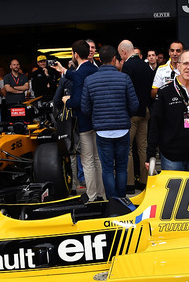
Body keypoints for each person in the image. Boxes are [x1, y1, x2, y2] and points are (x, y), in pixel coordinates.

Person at [81, 45, 138, 199]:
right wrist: (124, 115)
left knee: (107, 169)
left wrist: (98, 115)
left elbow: (85, 108)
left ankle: (111, 201)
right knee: (121, 168)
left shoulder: (89, 80)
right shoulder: (124, 78)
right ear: (114, 59)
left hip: (102, 130)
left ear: (99, 60)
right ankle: (121, 199)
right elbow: (134, 105)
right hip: (122, 129)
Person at [147, 50, 189, 172]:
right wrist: (150, 153)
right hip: (172, 157)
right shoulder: (165, 92)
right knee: (173, 192)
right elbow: (155, 124)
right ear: (178, 66)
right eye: (185, 63)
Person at [65, 39, 103, 201]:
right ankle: (102, 193)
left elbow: (78, 100)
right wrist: (64, 71)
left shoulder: (80, 72)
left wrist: (67, 101)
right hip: (98, 121)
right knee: (98, 160)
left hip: (85, 123)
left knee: (87, 161)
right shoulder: (94, 69)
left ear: (75, 54)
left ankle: (92, 195)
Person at [118, 39, 154, 191]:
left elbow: (127, 91)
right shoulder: (146, 66)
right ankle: (145, 182)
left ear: (124, 52)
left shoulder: (128, 66)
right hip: (146, 110)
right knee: (143, 147)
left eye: (121, 54)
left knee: (128, 148)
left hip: (133, 113)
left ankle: (130, 183)